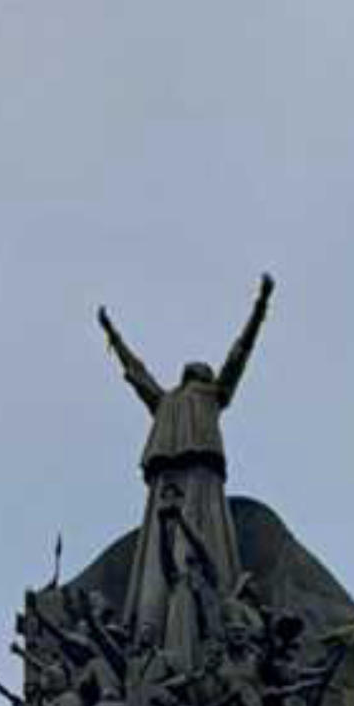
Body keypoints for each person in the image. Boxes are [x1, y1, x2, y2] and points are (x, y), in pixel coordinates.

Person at [97, 275, 271, 660]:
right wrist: (114, 337)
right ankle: (156, 628)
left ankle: (195, 624)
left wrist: (260, 308)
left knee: (195, 549)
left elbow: (237, 355)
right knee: (167, 554)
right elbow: (138, 373)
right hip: (175, 480)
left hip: (195, 479)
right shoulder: (174, 400)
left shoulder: (201, 396)